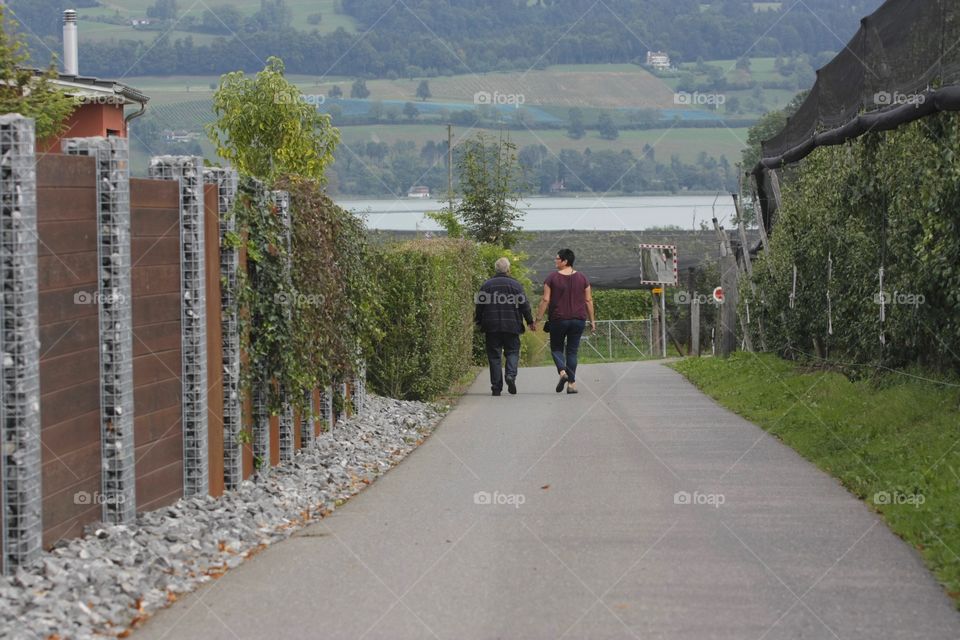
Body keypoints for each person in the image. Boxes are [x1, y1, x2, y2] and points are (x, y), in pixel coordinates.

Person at [535, 248, 596, 394]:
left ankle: (563, 373)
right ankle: (572, 384)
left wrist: (537, 319)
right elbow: (588, 300)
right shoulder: (583, 278)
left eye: (557, 258)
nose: (555, 261)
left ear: (565, 261)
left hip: (558, 319)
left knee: (556, 348)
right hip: (578, 320)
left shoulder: (552, 278)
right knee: (572, 352)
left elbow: (545, 300)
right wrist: (592, 321)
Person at [475, 257, 536, 396]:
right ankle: (510, 375)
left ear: (495, 269)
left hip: (492, 327)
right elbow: (524, 306)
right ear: (508, 269)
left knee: (494, 356)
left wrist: (478, 321)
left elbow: (479, 307)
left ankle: (496, 388)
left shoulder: (486, 285)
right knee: (513, 352)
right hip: (512, 325)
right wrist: (530, 321)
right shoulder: (516, 285)